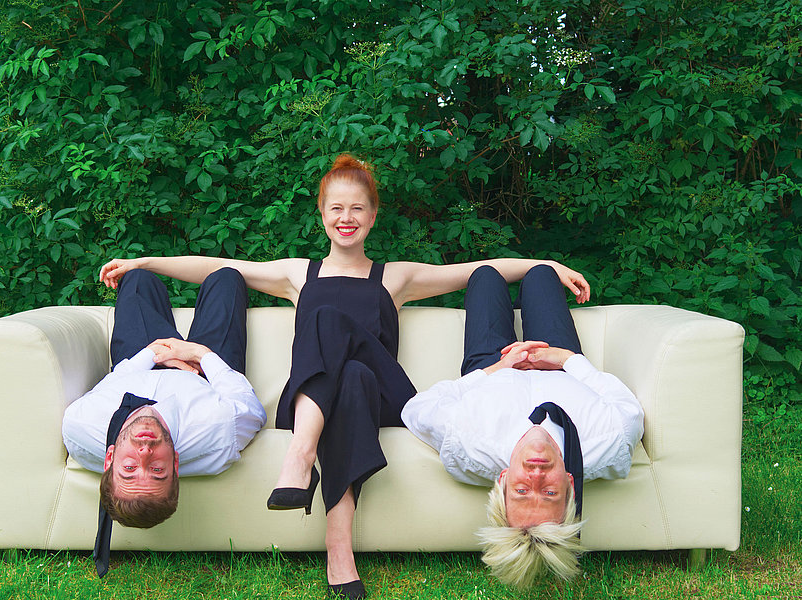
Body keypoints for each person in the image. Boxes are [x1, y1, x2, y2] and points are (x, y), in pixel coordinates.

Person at [98, 154, 591, 598]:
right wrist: (145, 262)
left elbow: (476, 270)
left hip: (388, 398)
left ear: (373, 217)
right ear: (322, 215)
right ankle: (339, 546)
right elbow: (220, 267)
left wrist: (545, 265)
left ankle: (300, 454)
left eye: (357, 209)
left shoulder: (394, 277)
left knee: (332, 327)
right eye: (336, 208)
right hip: (317, 394)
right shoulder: (298, 274)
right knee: (348, 371)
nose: (346, 218)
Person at [401, 264, 644, 587]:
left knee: (485, 277)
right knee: (542, 275)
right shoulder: (607, 441)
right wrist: (566, 360)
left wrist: (496, 369)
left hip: (492, 363)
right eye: (549, 491)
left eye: (520, 490)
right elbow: (626, 407)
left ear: (502, 480)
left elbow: (416, 409)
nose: (536, 474)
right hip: (558, 364)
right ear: (570, 482)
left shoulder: (468, 444)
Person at [62, 267, 266, 578]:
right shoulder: (216, 429)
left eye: (129, 469)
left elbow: (111, 387)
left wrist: (155, 354)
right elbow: (247, 403)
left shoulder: (81, 426)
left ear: (110, 457)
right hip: (204, 376)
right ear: (176, 464)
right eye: (156, 470)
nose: (144, 452)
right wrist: (198, 355)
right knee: (226, 279)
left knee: (138, 280)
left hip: (140, 365)